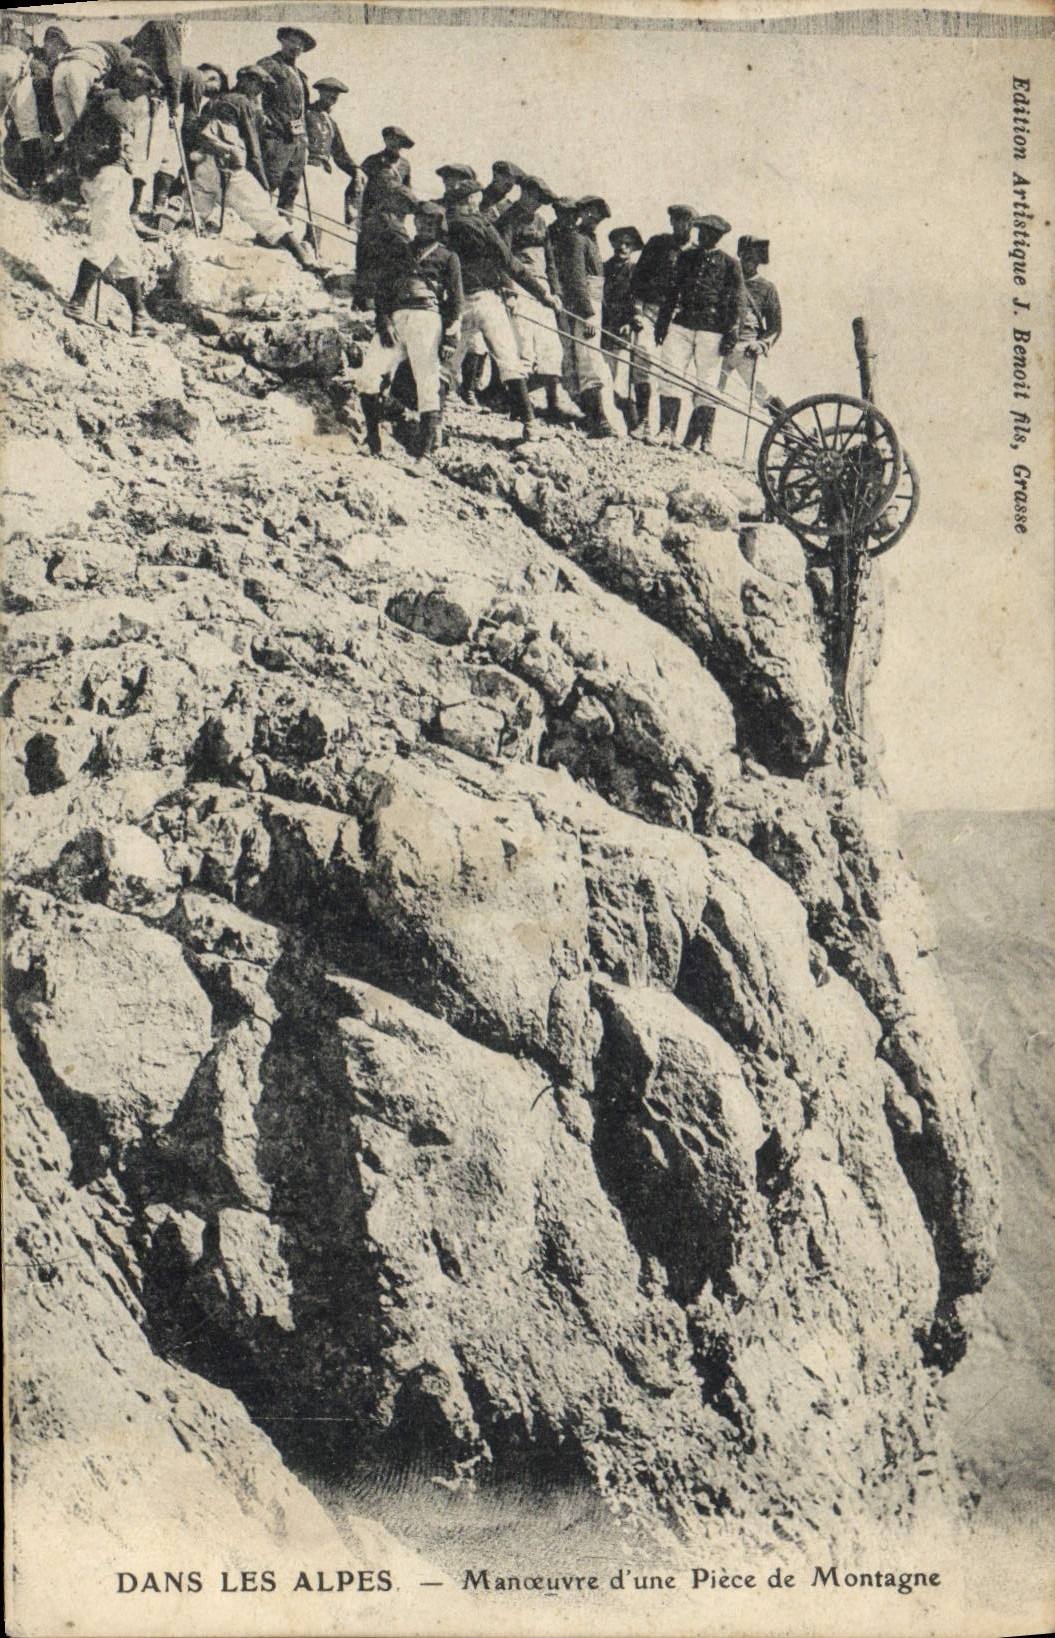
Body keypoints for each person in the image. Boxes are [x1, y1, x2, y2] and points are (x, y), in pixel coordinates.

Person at [445, 177, 560, 442]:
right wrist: (543, 294)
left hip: (458, 302)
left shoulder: (447, 226)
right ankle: (530, 424)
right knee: (509, 361)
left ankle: (434, 425)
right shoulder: (483, 226)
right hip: (486, 301)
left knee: (448, 364)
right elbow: (512, 264)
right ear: (472, 202)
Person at [62, 60, 164, 337]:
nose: (142, 91)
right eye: (139, 84)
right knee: (106, 240)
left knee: (126, 252)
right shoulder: (112, 100)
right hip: (110, 177)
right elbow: (119, 136)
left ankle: (140, 316)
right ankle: (76, 303)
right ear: (123, 80)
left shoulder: (104, 99)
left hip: (107, 176)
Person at [357, 197, 463, 462]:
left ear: (440, 225)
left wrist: (450, 337)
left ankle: (424, 456)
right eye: (421, 220)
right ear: (414, 221)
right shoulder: (400, 251)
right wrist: (383, 320)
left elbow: (456, 301)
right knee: (368, 375)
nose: (425, 225)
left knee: (428, 385)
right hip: (396, 320)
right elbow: (383, 290)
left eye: (431, 222)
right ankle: (372, 438)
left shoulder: (448, 257)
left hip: (427, 319)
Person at [190, 64, 320, 273]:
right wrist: (263, 180)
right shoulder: (241, 102)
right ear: (245, 80)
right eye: (257, 84)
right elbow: (253, 146)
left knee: (196, 210)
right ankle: (303, 257)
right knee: (263, 211)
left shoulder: (216, 101)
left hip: (205, 163)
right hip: (230, 164)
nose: (259, 90)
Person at [653, 212, 746, 447]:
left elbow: (737, 302)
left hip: (712, 330)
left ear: (719, 236)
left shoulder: (729, 264)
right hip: (682, 324)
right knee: (670, 372)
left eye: (711, 234)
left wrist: (731, 333)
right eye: (702, 232)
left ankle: (704, 439)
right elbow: (672, 292)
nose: (705, 237)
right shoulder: (686, 258)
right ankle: (667, 430)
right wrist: (662, 323)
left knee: (707, 383)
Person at [499, 173, 570, 423]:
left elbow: (550, 262)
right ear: (525, 193)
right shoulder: (508, 219)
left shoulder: (540, 222)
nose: (537, 204)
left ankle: (554, 403)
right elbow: (503, 259)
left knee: (551, 346)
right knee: (523, 344)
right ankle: (520, 404)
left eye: (542, 201)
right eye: (535, 198)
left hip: (543, 290)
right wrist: (508, 290)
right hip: (520, 286)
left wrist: (556, 292)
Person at [549, 194, 619, 438]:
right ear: (582, 212)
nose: (593, 219)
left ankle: (594, 417)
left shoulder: (589, 239)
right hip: (582, 307)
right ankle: (598, 420)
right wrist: (588, 314)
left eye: (598, 217)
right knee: (586, 361)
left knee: (583, 361)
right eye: (590, 213)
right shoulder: (576, 239)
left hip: (591, 305)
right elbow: (577, 279)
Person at [627, 203, 695, 439]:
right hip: (650, 311)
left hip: (677, 320)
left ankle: (668, 428)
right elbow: (637, 279)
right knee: (643, 358)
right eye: (675, 220)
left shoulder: (696, 253)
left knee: (671, 369)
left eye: (685, 221)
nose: (679, 225)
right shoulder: (657, 244)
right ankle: (643, 420)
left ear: (692, 225)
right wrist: (636, 310)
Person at [716, 234, 785, 422]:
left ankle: (789, 434)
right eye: (745, 255)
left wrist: (761, 344)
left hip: (746, 347)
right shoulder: (725, 281)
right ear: (740, 255)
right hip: (720, 344)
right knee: (709, 392)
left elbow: (775, 326)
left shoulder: (767, 288)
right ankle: (698, 441)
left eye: (754, 256)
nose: (749, 260)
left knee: (763, 392)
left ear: (759, 259)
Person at [256, 25, 314, 215]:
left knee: (291, 187)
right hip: (276, 136)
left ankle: (283, 229)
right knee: (269, 181)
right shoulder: (269, 64)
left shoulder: (301, 76)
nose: (296, 47)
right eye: (292, 41)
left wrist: (305, 137)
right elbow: (254, 90)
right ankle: (261, 228)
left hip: (296, 140)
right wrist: (261, 117)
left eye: (301, 44)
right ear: (282, 41)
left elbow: (303, 109)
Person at [305, 76, 359, 247]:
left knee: (320, 213)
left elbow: (340, 153)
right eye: (329, 92)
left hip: (323, 170)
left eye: (336, 94)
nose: (333, 96)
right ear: (320, 92)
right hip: (306, 167)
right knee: (305, 211)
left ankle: (314, 248)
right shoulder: (306, 113)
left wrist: (356, 170)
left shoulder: (331, 123)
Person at [50, 37, 131, 141]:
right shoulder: (127, 52)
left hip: (61, 67)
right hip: (83, 66)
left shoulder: (102, 46)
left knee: (70, 129)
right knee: (86, 120)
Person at [602, 225, 644, 430]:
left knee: (621, 385)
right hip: (603, 330)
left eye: (628, 244)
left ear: (633, 248)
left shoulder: (636, 271)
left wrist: (631, 320)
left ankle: (634, 426)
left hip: (623, 331)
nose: (623, 247)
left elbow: (638, 299)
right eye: (619, 242)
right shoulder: (603, 268)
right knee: (603, 379)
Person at [359, 125, 414, 217]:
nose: (394, 145)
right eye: (390, 139)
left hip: (395, 216)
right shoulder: (372, 160)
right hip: (372, 215)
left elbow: (407, 190)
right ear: (385, 141)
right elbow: (359, 186)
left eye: (397, 141)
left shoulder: (405, 165)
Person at [479, 158, 524, 227]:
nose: (510, 182)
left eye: (514, 180)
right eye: (506, 176)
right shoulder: (477, 197)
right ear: (495, 176)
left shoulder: (509, 208)